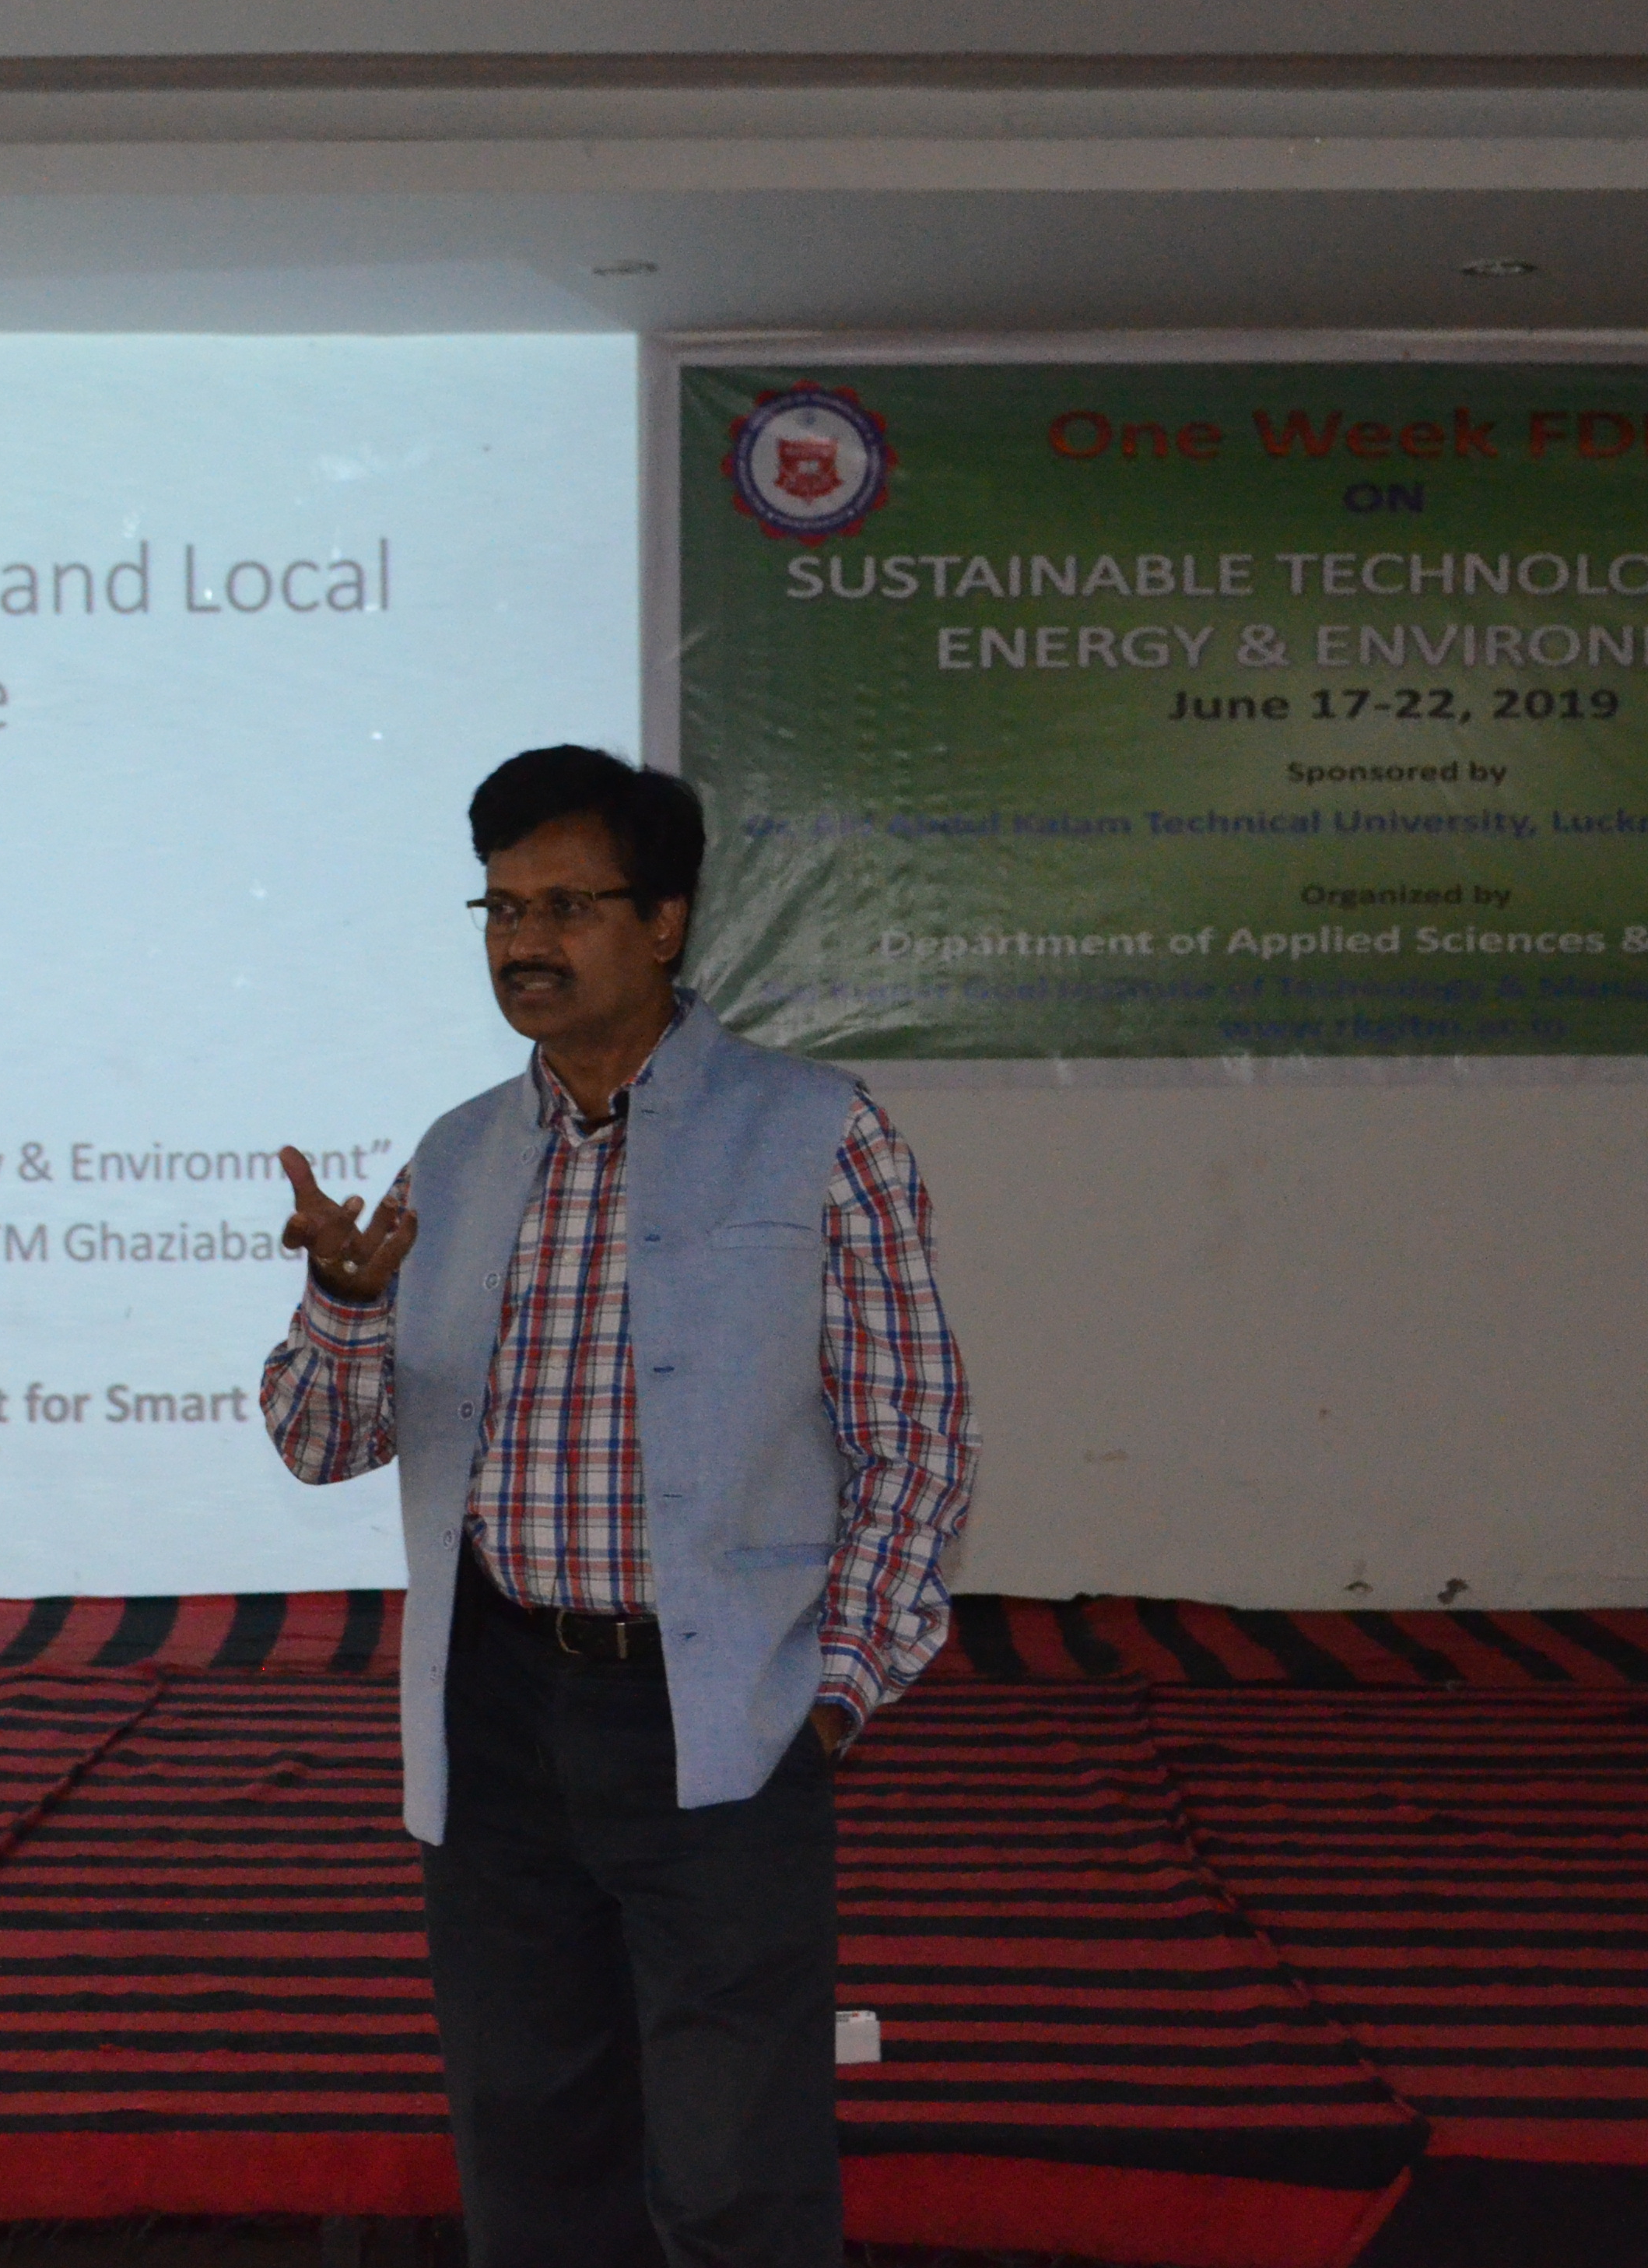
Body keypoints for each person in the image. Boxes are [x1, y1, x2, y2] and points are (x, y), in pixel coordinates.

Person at [258, 744, 974, 2268]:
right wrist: (342, 1301)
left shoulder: (815, 1132)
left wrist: (836, 1691)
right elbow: (322, 1446)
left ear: (664, 923)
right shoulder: (458, 1155)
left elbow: (912, 1440)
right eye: (503, 907)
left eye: (567, 906)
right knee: (531, 2146)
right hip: (498, 1714)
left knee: (733, 2166)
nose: (525, 942)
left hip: (715, 1707)